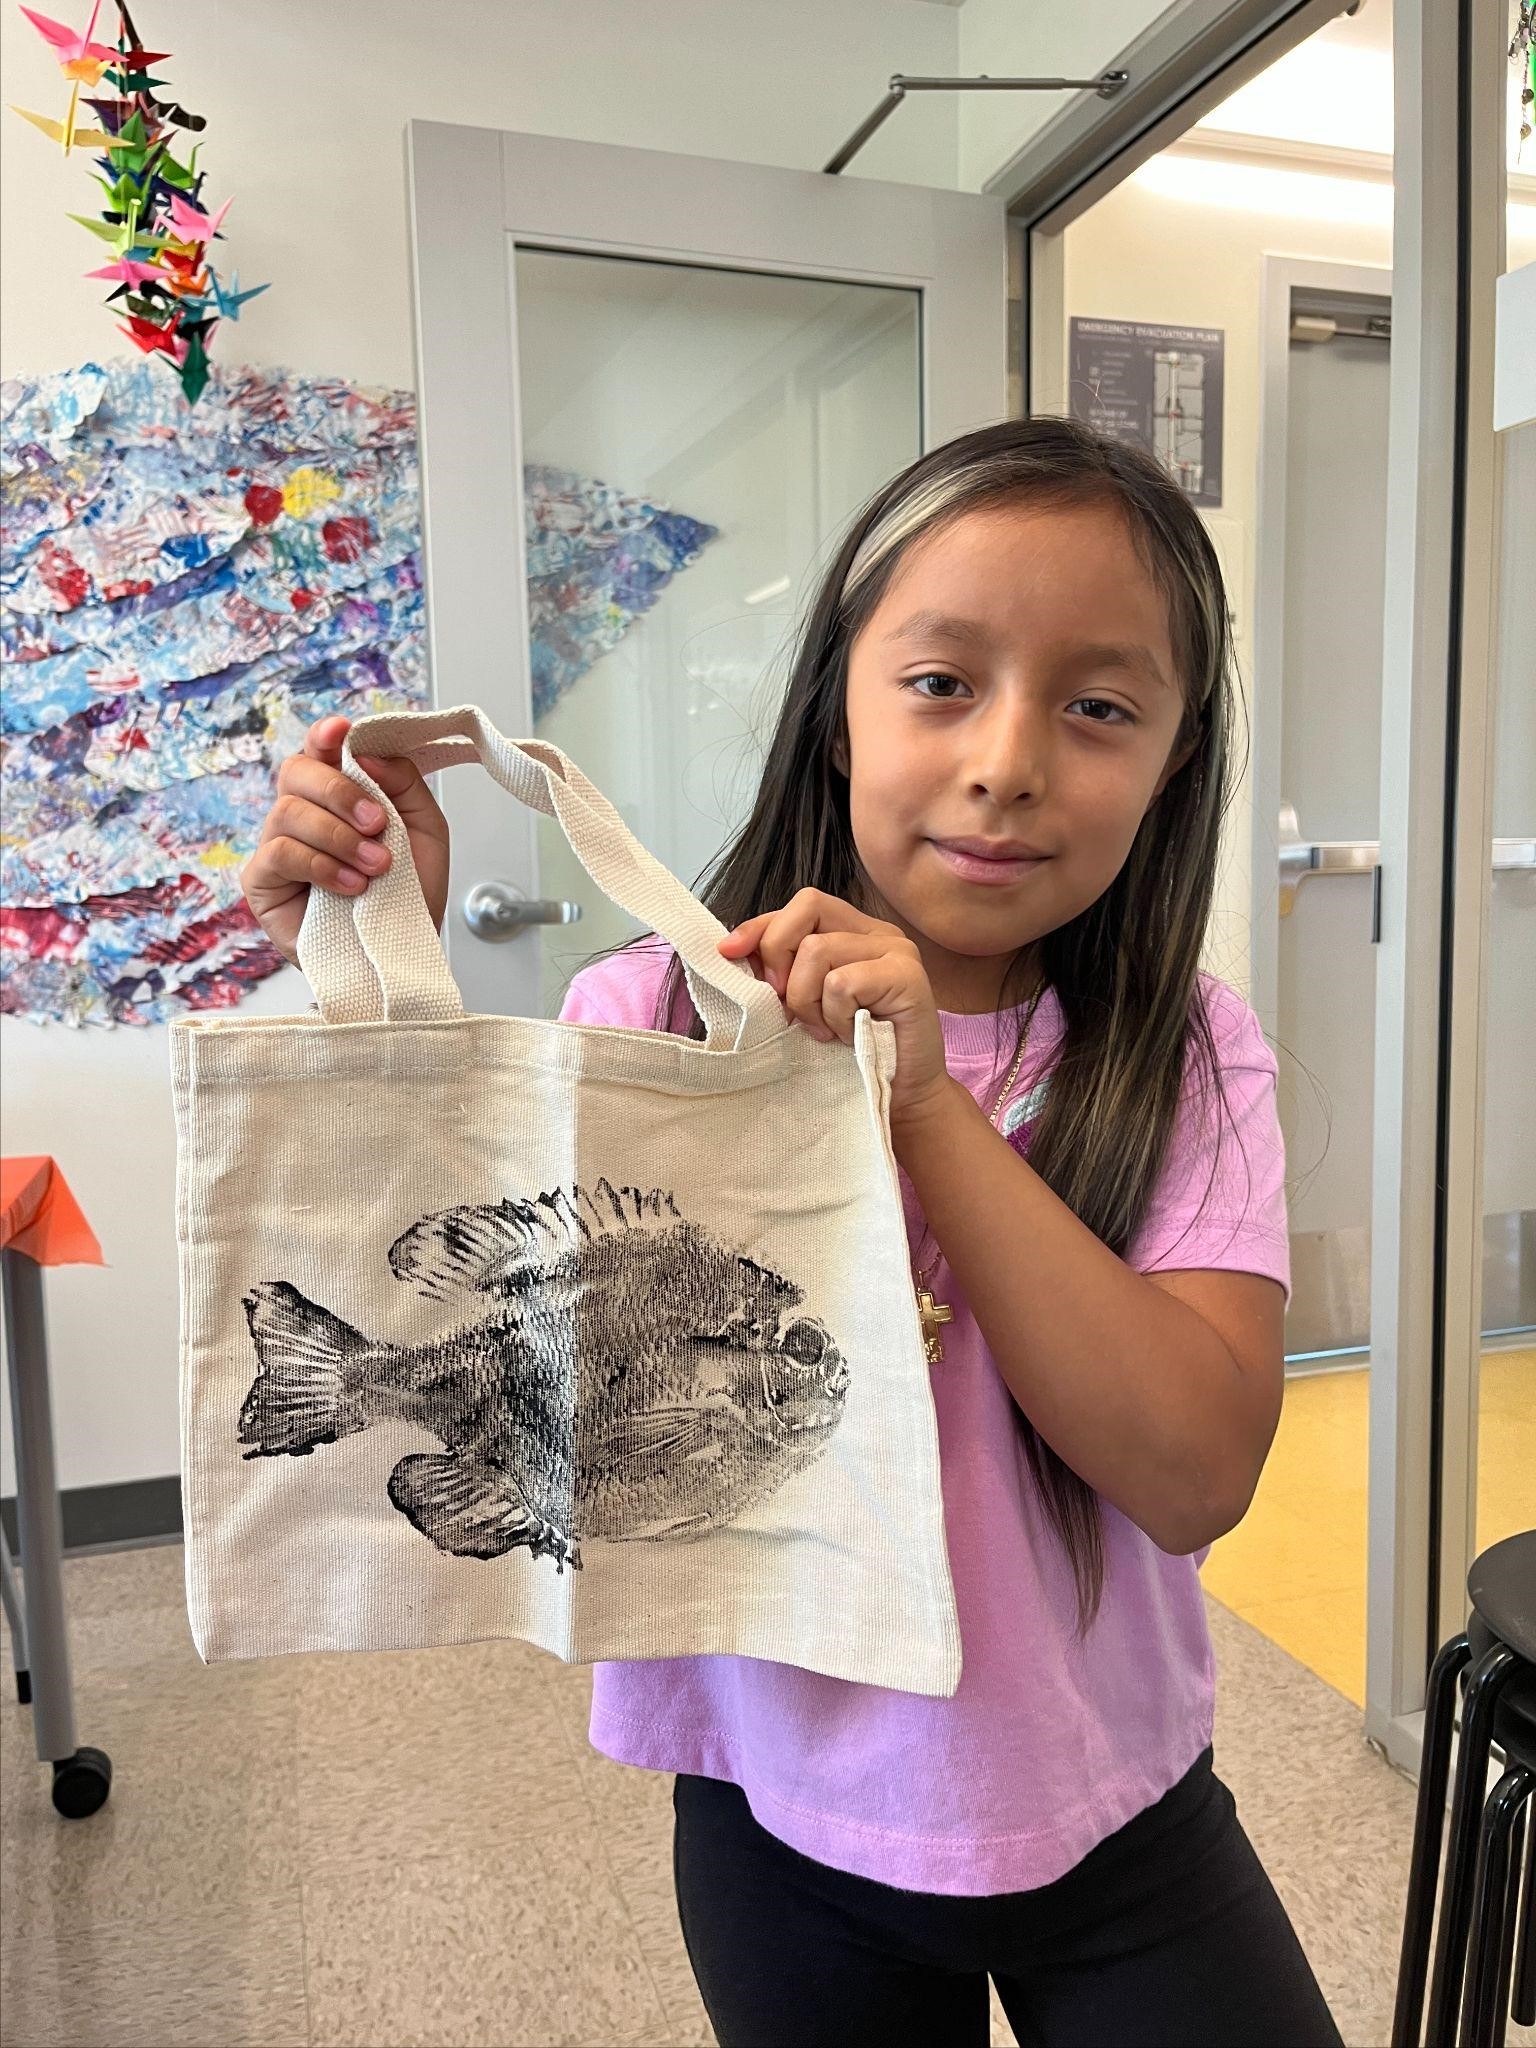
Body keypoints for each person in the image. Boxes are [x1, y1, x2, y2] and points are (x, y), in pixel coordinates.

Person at [240, 416, 1342, 2048]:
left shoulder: (1186, 1048)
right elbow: (397, 1258)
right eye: (941, 681)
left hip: (1119, 1810)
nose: (1009, 761)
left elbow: (1194, 1475)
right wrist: (359, 954)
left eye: (1100, 706)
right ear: (837, 708)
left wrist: (922, 1109)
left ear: (1175, 760)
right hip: (777, 1820)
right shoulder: (656, 1017)